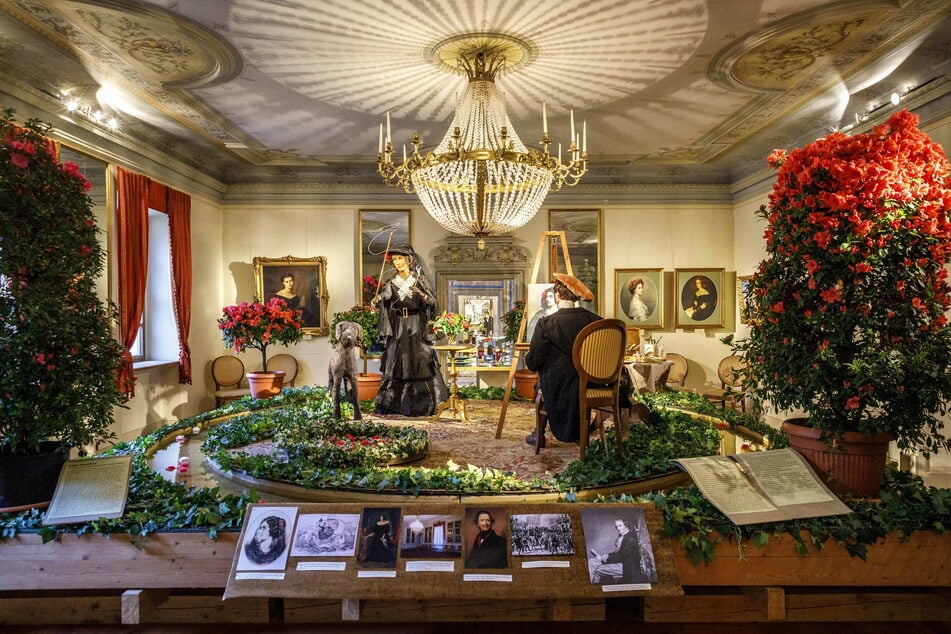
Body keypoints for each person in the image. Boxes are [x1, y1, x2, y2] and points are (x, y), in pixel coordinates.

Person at [370, 244, 448, 416]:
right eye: (395, 259)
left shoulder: (420, 279)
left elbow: (433, 303)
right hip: (399, 326)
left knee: (419, 360)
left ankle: (424, 405)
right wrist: (378, 299)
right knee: (397, 360)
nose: (397, 262)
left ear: (408, 259)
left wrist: (422, 295)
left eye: (400, 258)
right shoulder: (391, 282)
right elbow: (387, 297)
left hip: (417, 325)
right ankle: (394, 405)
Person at [524, 273, 601, 447]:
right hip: (593, 382)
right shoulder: (597, 321)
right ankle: (585, 430)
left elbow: (534, 362)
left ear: (558, 296)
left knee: (541, 385)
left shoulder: (546, 323)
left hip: (561, 384)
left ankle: (539, 434)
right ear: (577, 296)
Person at [587, 517, 646, 584]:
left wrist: (604, 558)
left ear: (627, 525)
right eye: (616, 526)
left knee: (597, 570)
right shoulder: (623, 536)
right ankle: (590, 583)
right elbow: (619, 552)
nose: (618, 528)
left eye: (620, 526)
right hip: (619, 561)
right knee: (591, 562)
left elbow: (621, 555)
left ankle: (594, 588)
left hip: (626, 566)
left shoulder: (630, 538)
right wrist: (607, 555)